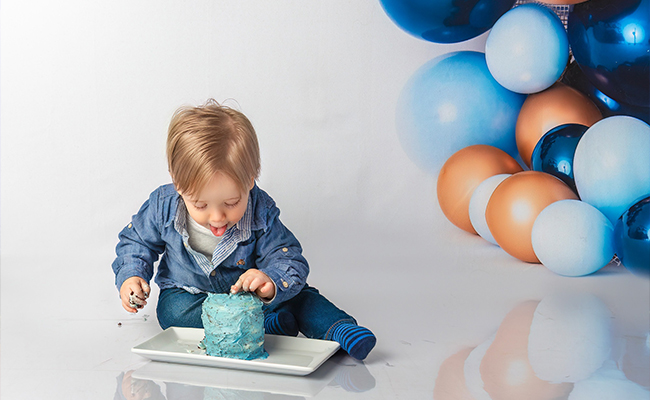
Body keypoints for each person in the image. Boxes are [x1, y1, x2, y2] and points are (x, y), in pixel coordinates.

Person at [112, 99, 376, 360]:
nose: (217, 217)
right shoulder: (163, 206)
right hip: (192, 293)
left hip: (251, 297)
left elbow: (288, 257)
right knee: (171, 312)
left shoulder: (260, 209)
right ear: (177, 183)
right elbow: (136, 242)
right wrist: (131, 276)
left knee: (300, 296)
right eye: (200, 204)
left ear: (250, 180)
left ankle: (340, 329)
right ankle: (266, 325)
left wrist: (270, 281)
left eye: (231, 203)